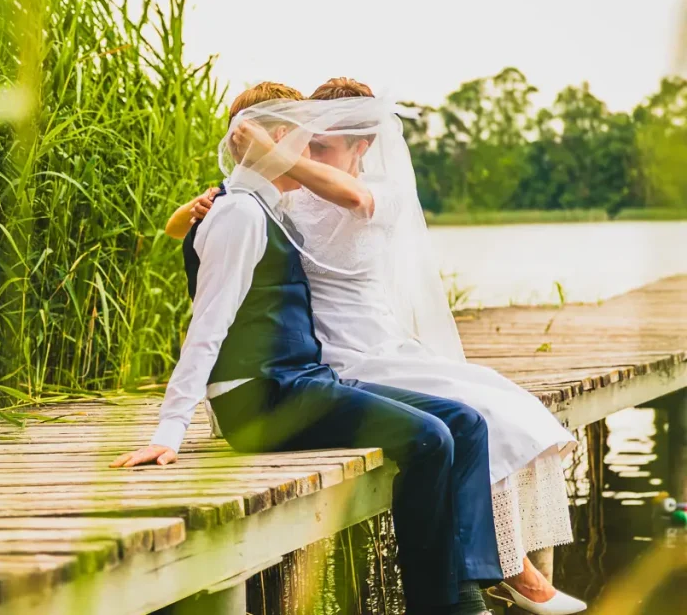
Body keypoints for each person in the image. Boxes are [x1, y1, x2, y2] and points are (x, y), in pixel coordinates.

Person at [169, 79, 586, 615]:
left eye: (320, 144)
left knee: (491, 411)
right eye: (305, 140)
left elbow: (351, 196)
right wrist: (210, 199)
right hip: (311, 365)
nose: (307, 152)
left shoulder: (378, 192)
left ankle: (497, 570)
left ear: (362, 146)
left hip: (370, 347)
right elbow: (194, 236)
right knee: (458, 424)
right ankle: (490, 580)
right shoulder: (277, 197)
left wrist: (275, 156)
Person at [112, 82, 502, 615]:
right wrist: (169, 429)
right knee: (429, 439)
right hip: (261, 399)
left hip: (300, 383)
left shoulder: (266, 207)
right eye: (305, 139)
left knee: (463, 421)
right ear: (275, 140)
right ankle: (438, 607)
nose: (311, 152)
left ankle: (464, 592)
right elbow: (207, 327)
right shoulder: (241, 214)